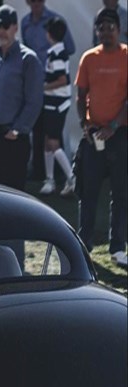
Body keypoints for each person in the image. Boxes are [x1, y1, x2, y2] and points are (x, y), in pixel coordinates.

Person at [75, 7, 127, 267]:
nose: (106, 32)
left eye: (111, 27)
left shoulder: (127, 55)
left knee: (120, 191)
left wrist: (115, 125)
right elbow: (80, 94)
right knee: (88, 189)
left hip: (120, 134)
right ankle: (84, 243)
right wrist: (84, 123)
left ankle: (118, 247)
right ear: (96, 31)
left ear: (118, 30)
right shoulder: (88, 58)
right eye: (101, 27)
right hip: (94, 134)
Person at [0, 4, 42, 192]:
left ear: (15, 27)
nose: (1, 31)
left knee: (14, 197)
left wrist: (17, 130)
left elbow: (34, 101)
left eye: (5, 26)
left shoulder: (28, 59)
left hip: (13, 139)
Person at [20, 0, 74, 182]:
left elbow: (70, 48)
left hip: (51, 88)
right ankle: (41, 172)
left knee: (52, 133)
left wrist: (55, 59)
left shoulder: (56, 21)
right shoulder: (25, 22)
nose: (35, 3)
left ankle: (65, 175)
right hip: (36, 81)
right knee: (37, 129)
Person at [38, 17, 75, 196]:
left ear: (50, 34)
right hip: (53, 102)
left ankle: (72, 177)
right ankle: (50, 180)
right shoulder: (57, 51)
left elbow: (62, 80)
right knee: (48, 142)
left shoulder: (57, 53)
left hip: (57, 103)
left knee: (53, 142)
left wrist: (42, 87)